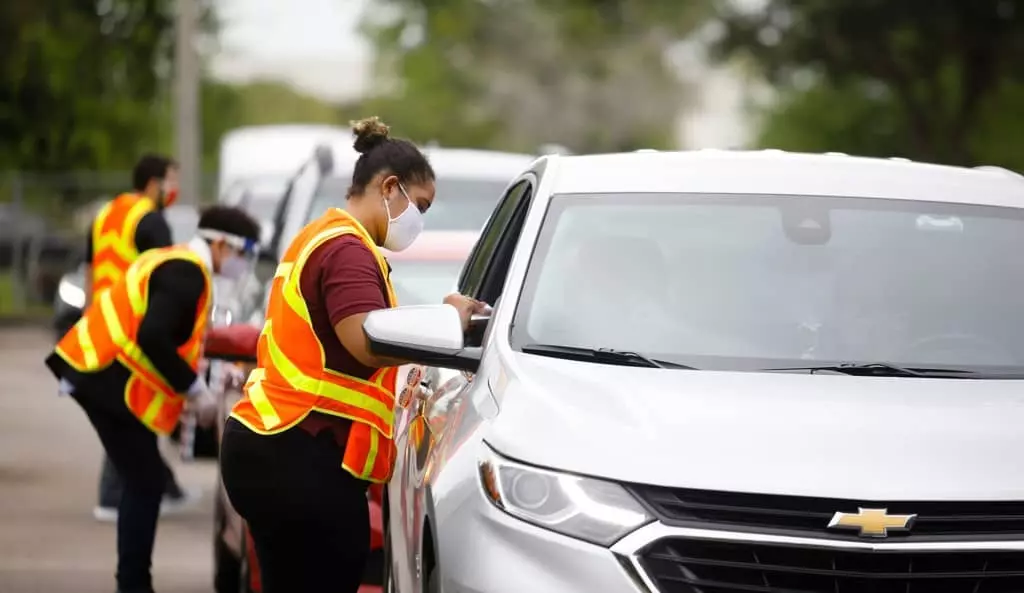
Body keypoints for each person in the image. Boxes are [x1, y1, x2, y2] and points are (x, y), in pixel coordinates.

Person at [219, 117, 486, 593]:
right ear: (389, 188)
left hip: (272, 444)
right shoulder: (347, 250)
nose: (419, 221)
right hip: (299, 453)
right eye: (419, 206)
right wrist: (448, 319)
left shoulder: (321, 236)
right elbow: (366, 341)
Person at [46, 205, 262, 593]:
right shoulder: (187, 272)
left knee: (141, 480)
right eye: (243, 252)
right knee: (144, 483)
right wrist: (196, 392)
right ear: (221, 246)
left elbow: (170, 336)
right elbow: (153, 336)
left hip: (102, 374)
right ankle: (133, 584)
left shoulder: (179, 263)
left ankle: (133, 582)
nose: (243, 263)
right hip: (104, 376)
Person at [84, 154, 197, 522]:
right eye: (170, 180)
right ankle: (114, 495)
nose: (172, 188)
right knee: (131, 409)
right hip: (134, 328)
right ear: (153, 182)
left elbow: (92, 270)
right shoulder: (151, 220)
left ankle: (163, 487)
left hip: (102, 324)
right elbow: (164, 279)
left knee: (133, 409)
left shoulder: (106, 214)